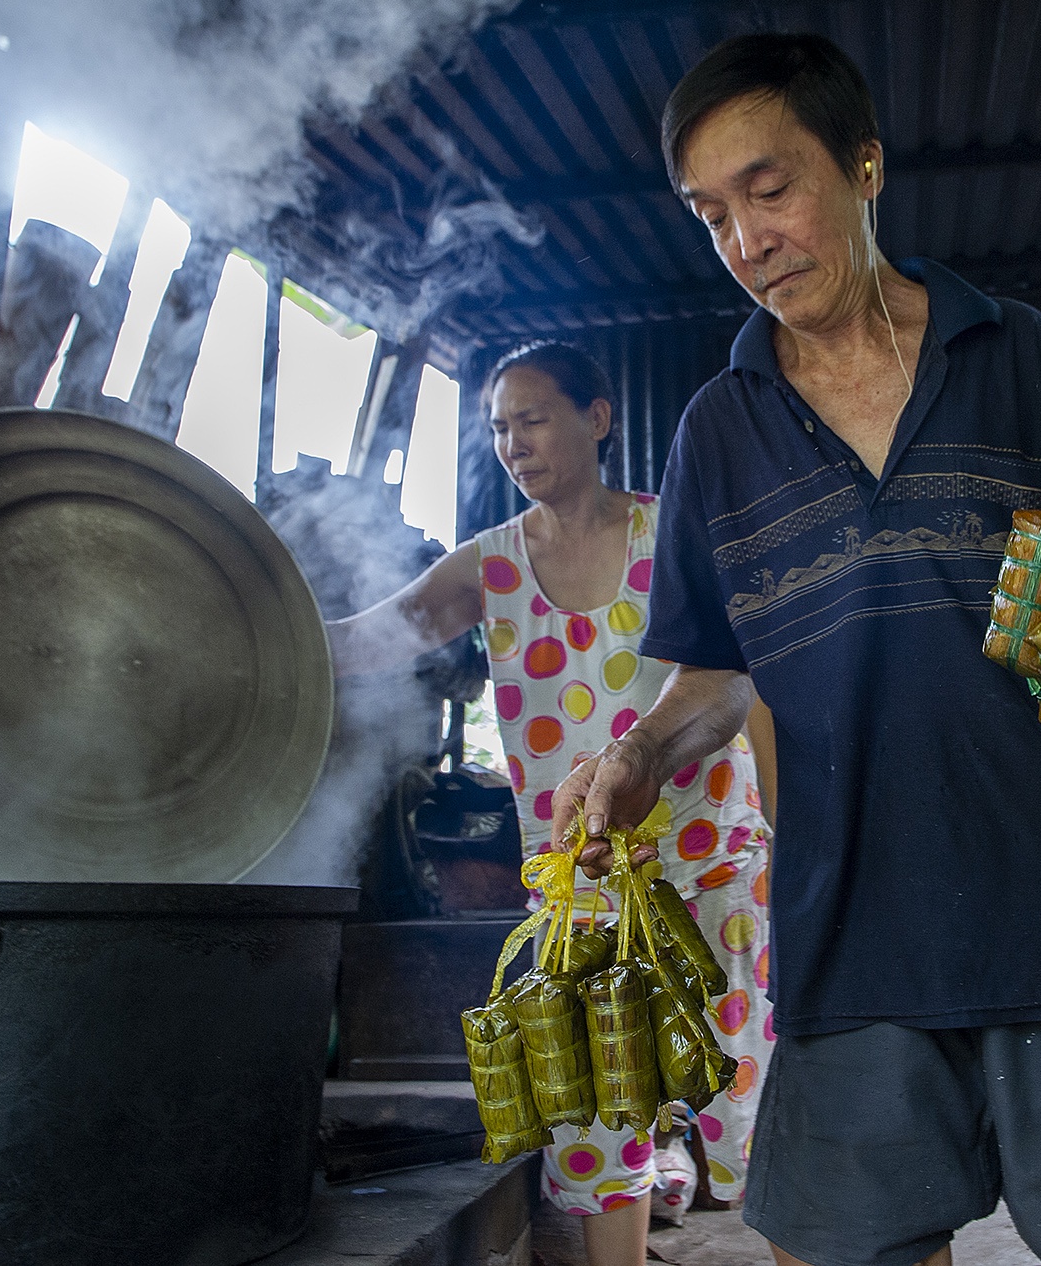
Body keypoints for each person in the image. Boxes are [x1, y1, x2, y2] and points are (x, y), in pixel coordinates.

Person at [552, 33, 1041, 1266]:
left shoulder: (1016, 352)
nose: (745, 241)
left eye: (770, 189)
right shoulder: (718, 429)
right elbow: (712, 669)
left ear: (863, 167)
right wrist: (641, 752)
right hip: (853, 930)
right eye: (711, 213)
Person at [328, 343, 775, 1266]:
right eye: (498, 426)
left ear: (598, 418)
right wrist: (247, 618)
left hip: (707, 868)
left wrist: (791, 826)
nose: (513, 442)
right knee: (602, 1117)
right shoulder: (488, 567)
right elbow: (367, 643)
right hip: (583, 887)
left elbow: (740, 685)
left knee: (752, 1102)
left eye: (532, 418)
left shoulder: (675, 532)